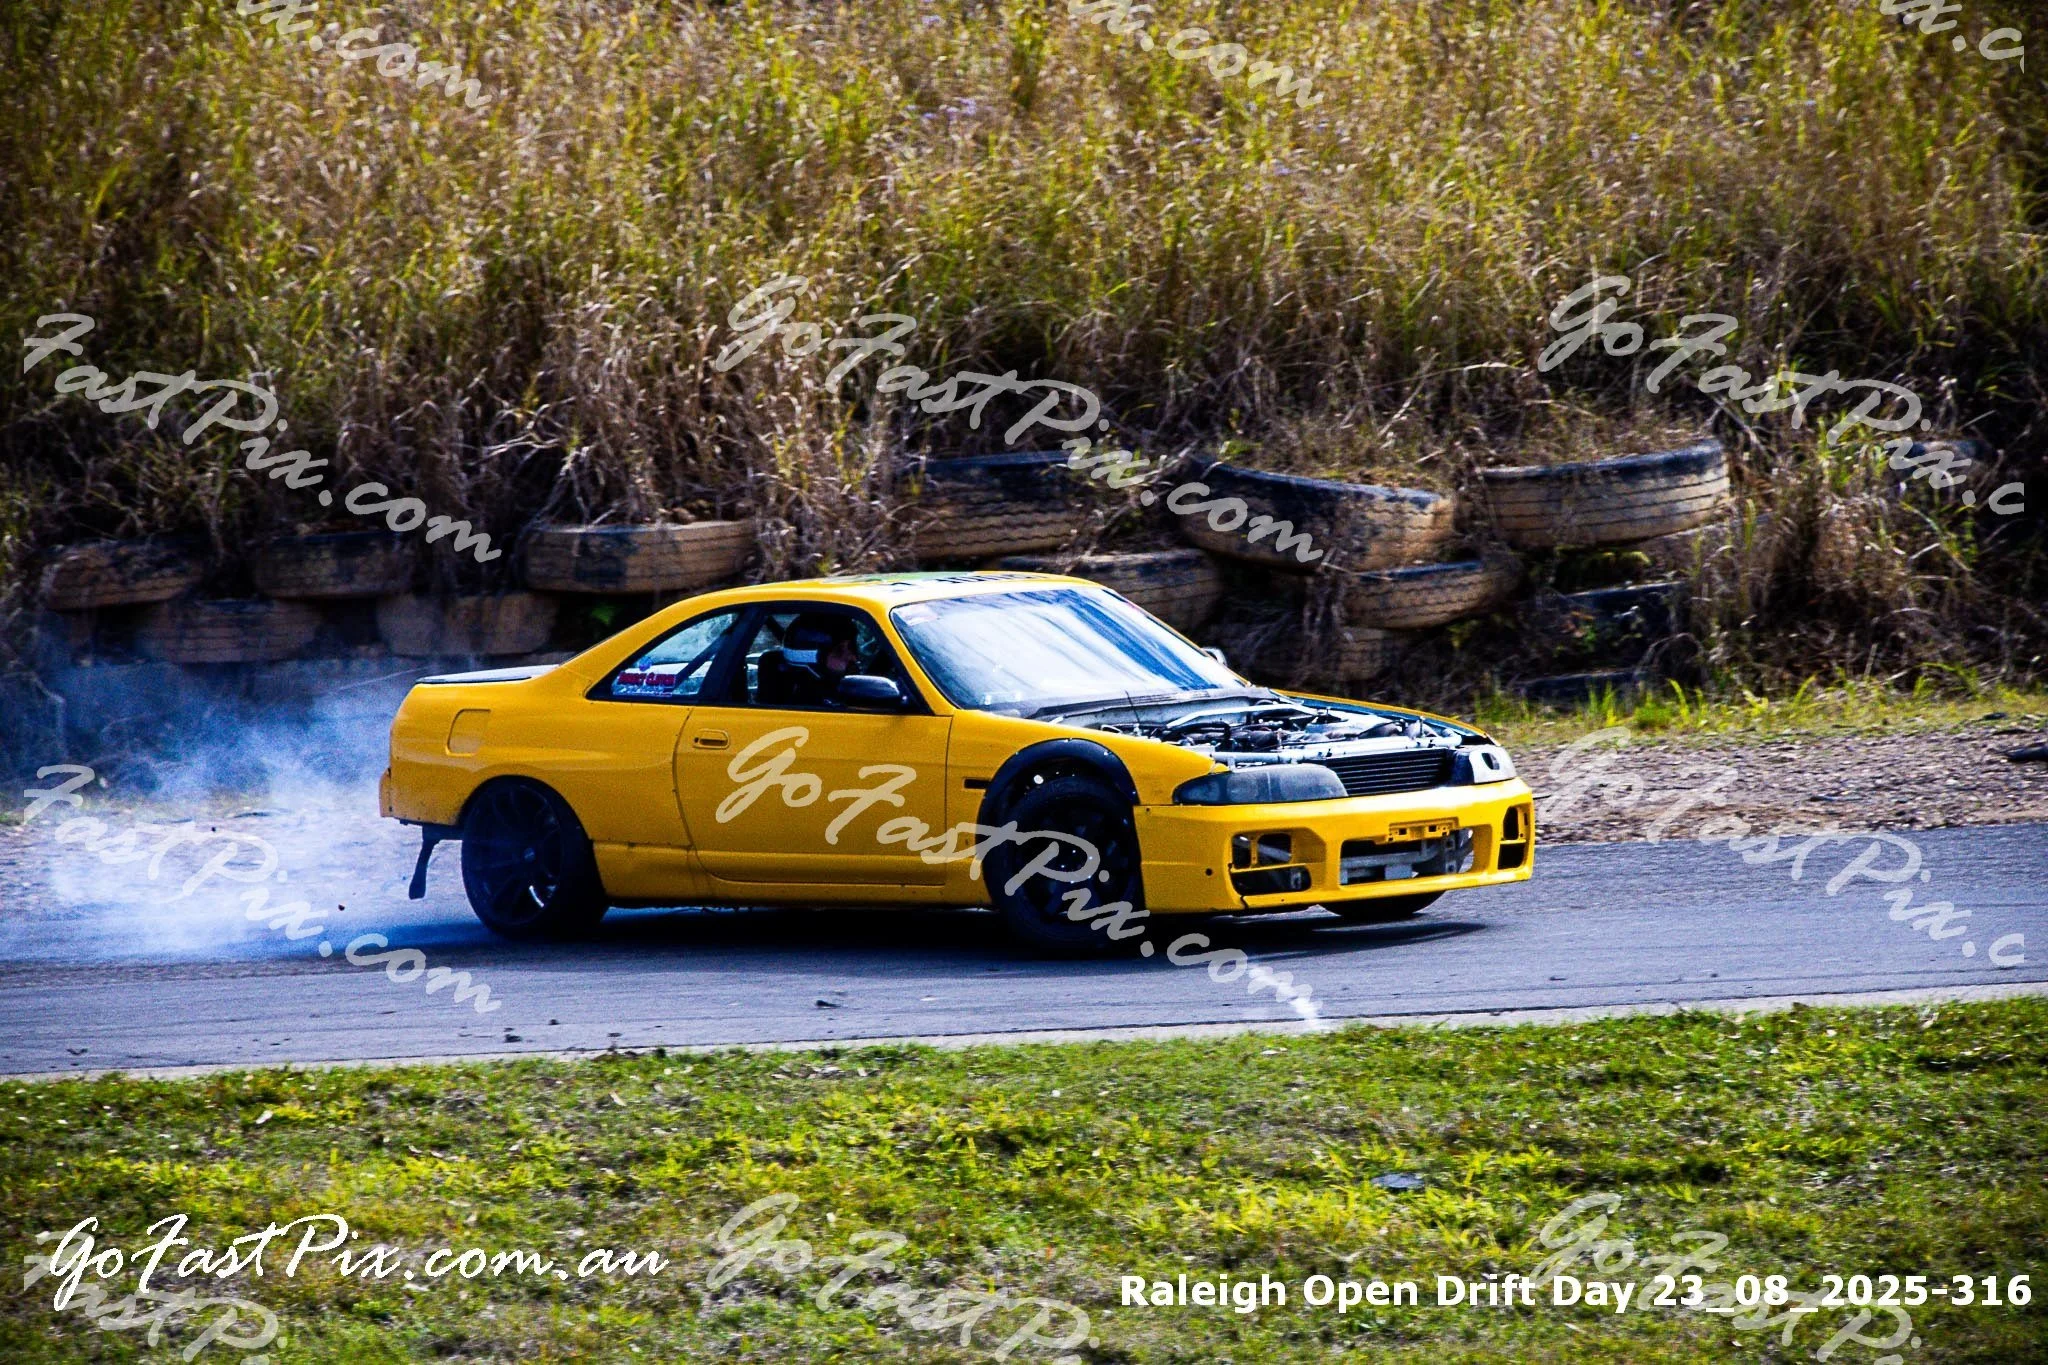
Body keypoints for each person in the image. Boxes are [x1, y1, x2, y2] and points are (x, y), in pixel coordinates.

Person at [757, 613, 861, 707]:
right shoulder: (809, 710)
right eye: (839, 652)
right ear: (810, 658)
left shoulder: (843, 697)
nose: (852, 657)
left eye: (852, 647)